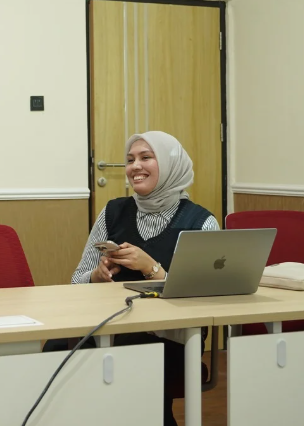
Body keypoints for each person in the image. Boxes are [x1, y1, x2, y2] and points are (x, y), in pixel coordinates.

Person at [47, 131, 219, 426]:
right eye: (130, 160)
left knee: (133, 352)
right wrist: (97, 277)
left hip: (173, 338)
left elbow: (206, 299)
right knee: (56, 346)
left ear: (170, 165)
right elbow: (77, 281)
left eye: (146, 157)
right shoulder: (113, 212)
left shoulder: (200, 222)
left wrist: (151, 268)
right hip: (110, 326)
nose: (135, 166)